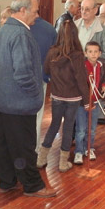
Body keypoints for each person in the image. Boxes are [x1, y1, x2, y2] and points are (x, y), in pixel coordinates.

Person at [0, 0, 56, 198]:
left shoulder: (4, 31)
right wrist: (35, 92)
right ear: (23, 11)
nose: (37, 16)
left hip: (3, 100)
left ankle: (6, 180)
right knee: (24, 145)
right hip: (19, 102)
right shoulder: (21, 34)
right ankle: (33, 185)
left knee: (3, 143)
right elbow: (24, 72)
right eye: (35, 11)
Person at [36, 20, 89, 172]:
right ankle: (62, 163)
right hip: (73, 98)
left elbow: (45, 69)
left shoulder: (52, 51)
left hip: (57, 96)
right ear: (75, 35)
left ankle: (41, 159)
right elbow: (81, 80)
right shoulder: (78, 55)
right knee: (67, 128)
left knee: (54, 125)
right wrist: (87, 101)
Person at [74, 41, 105, 164]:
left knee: (92, 128)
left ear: (100, 53)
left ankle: (89, 148)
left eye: (96, 51)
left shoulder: (103, 65)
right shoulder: (81, 66)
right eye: (90, 51)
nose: (93, 54)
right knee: (81, 129)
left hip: (96, 102)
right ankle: (78, 152)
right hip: (82, 103)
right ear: (85, 53)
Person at [30, 17, 57, 153]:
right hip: (42, 75)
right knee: (38, 113)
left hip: (23, 75)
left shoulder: (23, 27)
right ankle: (33, 147)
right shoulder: (49, 28)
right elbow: (55, 54)